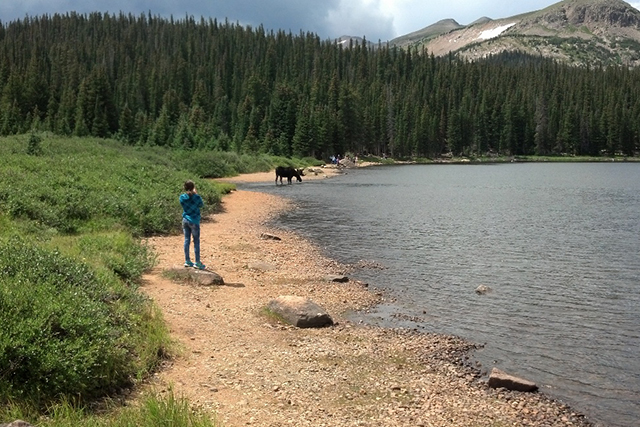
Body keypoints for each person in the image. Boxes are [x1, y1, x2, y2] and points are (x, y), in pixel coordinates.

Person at [179, 180, 206, 269]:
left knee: (186, 240)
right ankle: (197, 262)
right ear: (193, 187)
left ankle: (187, 261)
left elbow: (183, 202)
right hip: (194, 220)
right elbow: (201, 205)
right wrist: (195, 193)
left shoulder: (182, 197)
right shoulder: (197, 197)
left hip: (185, 219)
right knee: (196, 241)